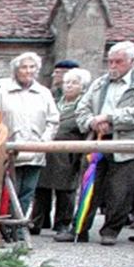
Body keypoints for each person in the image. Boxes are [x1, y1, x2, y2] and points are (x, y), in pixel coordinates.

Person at [70, 41, 134, 244]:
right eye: (110, 62)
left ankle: (110, 230)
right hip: (97, 140)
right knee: (89, 185)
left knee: (120, 190)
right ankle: (79, 228)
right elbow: (82, 108)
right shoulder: (99, 83)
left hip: (125, 143)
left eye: (119, 62)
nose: (113, 66)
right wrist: (92, 122)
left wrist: (110, 119)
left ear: (132, 62)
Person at [0, 51, 59, 240]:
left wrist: (45, 142)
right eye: (24, 67)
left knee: (27, 190)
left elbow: (53, 121)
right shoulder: (3, 93)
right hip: (10, 150)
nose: (28, 71)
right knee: (8, 190)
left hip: (36, 150)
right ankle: (4, 226)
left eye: (32, 67)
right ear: (16, 70)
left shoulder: (44, 93)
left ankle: (18, 226)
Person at [31, 66, 91, 237]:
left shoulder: (83, 105)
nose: (69, 86)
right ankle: (37, 221)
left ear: (83, 87)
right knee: (41, 188)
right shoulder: (55, 101)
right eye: (66, 82)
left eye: (74, 83)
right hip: (48, 149)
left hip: (68, 152)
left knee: (65, 190)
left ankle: (63, 222)